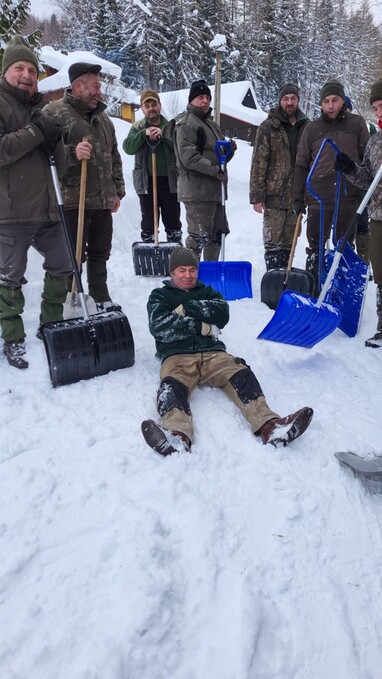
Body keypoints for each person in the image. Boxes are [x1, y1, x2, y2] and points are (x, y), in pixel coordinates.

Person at [141, 246, 313, 455]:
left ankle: (270, 426)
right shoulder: (160, 295)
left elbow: (222, 314)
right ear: (172, 272)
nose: (188, 275)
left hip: (213, 353)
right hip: (177, 355)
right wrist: (203, 326)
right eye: (182, 270)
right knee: (171, 387)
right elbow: (161, 327)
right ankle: (176, 435)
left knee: (241, 374)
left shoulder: (208, 292)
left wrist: (186, 309)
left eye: (192, 270)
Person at [0, 35, 71, 370]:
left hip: (47, 209)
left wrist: (57, 140)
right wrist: (37, 131)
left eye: (31, 68)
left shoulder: (41, 109)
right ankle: (12, 338)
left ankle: (50, 323)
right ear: (6, 72)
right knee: (9, 278)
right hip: (10, 211)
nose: (27, 74)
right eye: (19, 67)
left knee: (63, 264)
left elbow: (61, 165)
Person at [44, 62, 125, 311]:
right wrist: (71, 151)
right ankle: (71, 301)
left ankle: (100, 297)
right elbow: (45, 155)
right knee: (72, 255)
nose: (99, 91)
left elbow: (114, 155)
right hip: (71, 200)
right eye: (95, 86)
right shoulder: (53, 113)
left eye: (99, 86)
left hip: (101, 200)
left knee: (101, 252)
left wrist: (117, 191)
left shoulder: (103, 119)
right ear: (78, 86)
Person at [293, 80, 369, 293]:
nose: (331, 105)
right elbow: (301, 163)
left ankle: (343, 291)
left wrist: (364, 190)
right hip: (318, 196)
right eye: (326, 101)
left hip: (348, 194)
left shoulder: (357, 124)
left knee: (343, 244)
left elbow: (367, 160)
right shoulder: (312, 128)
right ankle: (315, 289)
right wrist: (298, 197)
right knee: (316, 244)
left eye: (335, 100)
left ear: (343, 100)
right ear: (321, 104)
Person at [334, 78, 382, 348]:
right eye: (375, 108)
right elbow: (367, 178)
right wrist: (350, 169)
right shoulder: (375, 142)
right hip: (378, 217)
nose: (379, 112)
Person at [166, 79, 236, 261]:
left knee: (218, 234)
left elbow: (219, 156)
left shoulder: (211, 125)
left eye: (207, 97)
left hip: (215, 190)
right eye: (200, 97)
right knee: (199, 237)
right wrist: (214, 170)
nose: (205, 101)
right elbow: (188, 157)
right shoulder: (186, 123)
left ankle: (209, 273)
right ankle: (188, 275)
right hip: (197, 191)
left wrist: (229, 152)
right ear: (191, 100)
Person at [250, 83, 309, 270]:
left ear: (298, 100)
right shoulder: (268, 127)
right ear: (280, 101)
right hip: (273, 193)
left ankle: (286, 277)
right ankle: (274, 278)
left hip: (297, 194)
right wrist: (257, 196)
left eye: (293, 98)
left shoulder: (307, 126)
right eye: (285, 99)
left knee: (289, 242)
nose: (289, 102)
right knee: (273, 242)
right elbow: (258, 162)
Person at [123, 89, 182, 244]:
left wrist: (163, 136)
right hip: (146, 182)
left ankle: (175, 253)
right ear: (142, 109)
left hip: (170, 182)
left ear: (159, 105)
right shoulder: (137, 127)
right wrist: (143, 134)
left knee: (173, 221)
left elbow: (179, 149)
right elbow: (128, 148)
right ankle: (150, 250)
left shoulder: (170, 126)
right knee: (148, 223)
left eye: (153, 104)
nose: (151, 108)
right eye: (147, 105)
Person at [345, 95, 371, 270]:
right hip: (343, 188)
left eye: (347, 109)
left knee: (362, 226)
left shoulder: (359, 126)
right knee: (347, 227)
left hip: (360, 186)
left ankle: (363, 263)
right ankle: (349, 260)